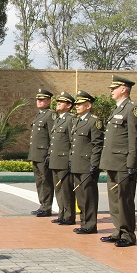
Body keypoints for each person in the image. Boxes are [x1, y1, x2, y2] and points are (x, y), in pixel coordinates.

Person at [98, 76, 137, 247]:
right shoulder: (117, 109)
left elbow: (134, 139)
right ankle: (118, 231)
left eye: (114, 88)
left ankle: (128, 235)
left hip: (123, 162)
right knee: (114, 200)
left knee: (124, 200)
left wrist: (131, 163)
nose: (111, 91)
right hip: (112, 161)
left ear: (123, 89)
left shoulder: (132, 109)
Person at [70, 90, 104, 234]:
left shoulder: (94, 121)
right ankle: (84, 222)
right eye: (76, 104)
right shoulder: (78, 120)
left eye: (80, 104)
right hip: (77, 164)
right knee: (80, 197)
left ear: (88, 105)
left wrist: (94, 164)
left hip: (87, 164)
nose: (77, 106)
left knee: (89, 196)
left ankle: (90, 225)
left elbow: (97, 145)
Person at [48, 91, 76, 225]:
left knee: (66, 190)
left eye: (62, 102)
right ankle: (62, 213)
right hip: (55, 160)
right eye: (58, 101)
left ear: (69, 105)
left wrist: (70, 159)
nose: (58, 103)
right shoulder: (58, 119)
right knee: (58, 189)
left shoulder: (70, 119)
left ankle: (69, 216)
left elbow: (72, 141)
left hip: (64, 160)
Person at [28, 89, 56, 217]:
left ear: (48, 101)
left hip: (44, 154)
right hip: (36, 154)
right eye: (37, 99)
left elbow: (53, 136)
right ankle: (42, 205)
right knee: (39, 181)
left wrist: (50, 153)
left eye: (42, 99)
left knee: (46, 181)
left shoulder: (50, 115)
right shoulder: (39, 115)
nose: (38, 101)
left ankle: (46, 207)